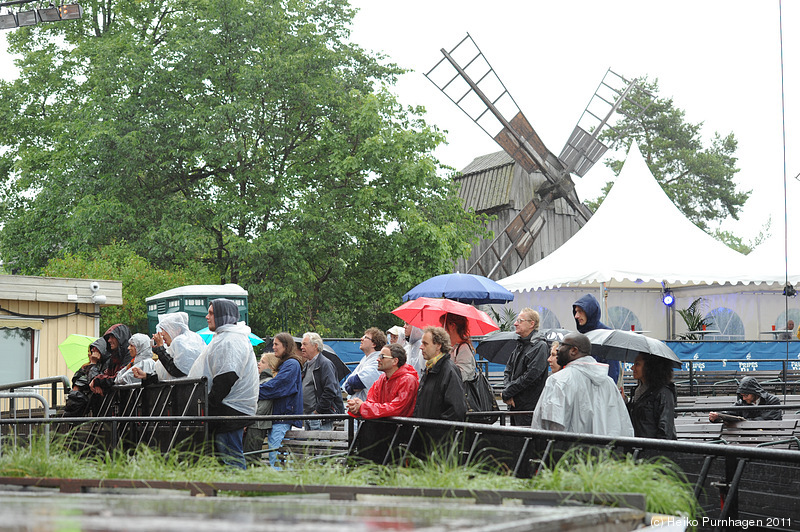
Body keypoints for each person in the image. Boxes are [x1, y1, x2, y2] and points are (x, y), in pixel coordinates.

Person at [187, 299, 258, 470]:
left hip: (230, 409)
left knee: (230, 457)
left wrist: (210, 403)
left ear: (222, 315)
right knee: (223, 457)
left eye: (211, 313)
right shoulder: (226, 337)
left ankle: (239, 492)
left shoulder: (231, 339)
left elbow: (227, 377)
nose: (207, 316)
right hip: (228, 407)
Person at [531, 332, 634, 437]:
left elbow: (547, 425)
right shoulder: (609, 383)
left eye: (562, 345)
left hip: (567, 451)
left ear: (574, 350)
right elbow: (624, 425)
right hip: (604, 451)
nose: (558, 350)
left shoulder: (558, 381)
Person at [258, 332, 303, 468]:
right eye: (273, 344)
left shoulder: (291, 364)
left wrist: (254, 391)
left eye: (276, 344)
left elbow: (277, 386)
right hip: (280, 418)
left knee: (277, 459)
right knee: (276, 457)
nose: (274, 348)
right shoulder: (287, 364)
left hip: (283, 418)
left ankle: (280, 487)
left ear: (286, 346)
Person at [501, 308, 549, 426]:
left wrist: (508, 392)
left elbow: (531, 376)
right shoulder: (520, 345)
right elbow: (508, 370)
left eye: (520, 320)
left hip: (528, 408)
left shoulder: (539, 346)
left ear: (531, 324)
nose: (515, 323)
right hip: (514, 405)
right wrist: (508, 391)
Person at [347, 343, 419, 419]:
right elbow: (371, 401)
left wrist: (362, 407)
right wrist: (356, 406)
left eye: (382, 357)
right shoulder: (382, 379)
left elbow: (397, 409)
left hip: (401, 429)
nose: (378, 359)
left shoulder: (408, 380)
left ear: (395, 361)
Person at [414, 326, 466, 422]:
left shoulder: (449, 370)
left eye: (425, 344)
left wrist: (436, 433)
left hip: (436, 434)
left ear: (438, 346)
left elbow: (455, 410)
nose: (421, 347)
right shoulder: (430, 368)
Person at [626, 352, 676, 439]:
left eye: (637, 364)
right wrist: (625, 402)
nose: (632, 367)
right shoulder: (638, 391)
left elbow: (665, 429)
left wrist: (654, 450)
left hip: (654, 449)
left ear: (650, 367)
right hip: (638, 447)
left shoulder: (664, 393)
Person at [573, 294, 621, 384]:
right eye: (576, 312)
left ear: (589, 311)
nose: (576, 316)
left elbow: (613, 372)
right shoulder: (581, 336)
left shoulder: (607, 335)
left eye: (580, 311)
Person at [300, 332, 344, 431]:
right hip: (308, 415)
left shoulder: (325, 364)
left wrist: (317, 411)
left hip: (319, 417)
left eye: (305, 344)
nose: (301, 347)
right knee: (310, 446)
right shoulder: (307, 365)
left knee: (320, 444)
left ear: (315, 346)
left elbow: (330, 390)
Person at [243, 351, 277, 466]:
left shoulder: (268, 382)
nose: (259, 364)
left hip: (257, 424)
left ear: (271, 366)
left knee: (251, 456)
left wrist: (247, 419)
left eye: (263, 362)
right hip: (254, 422)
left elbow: (262, 407)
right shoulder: (260, 380)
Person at [62, 338, 106, 417]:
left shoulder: (102, 366)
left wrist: (93, 363)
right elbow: (76, 378)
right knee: (74, 394)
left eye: (92, 351)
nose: (90, 354)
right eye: (89, 351)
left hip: (92, 398)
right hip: (81, 396)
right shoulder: (85, 366)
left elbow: (93, 379)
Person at [709, 376, 782, 422]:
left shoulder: (773, 401)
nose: (744, 398)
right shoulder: (742, 402)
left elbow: (766, 419)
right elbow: (728, 411)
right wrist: (717, 416)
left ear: (754, 393)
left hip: (769, 436)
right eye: (742, 395)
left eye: (746, 395)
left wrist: (743, 420)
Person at [342, 328, 385, 402]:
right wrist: (352, 387)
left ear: (374, 344)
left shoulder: (377, 361)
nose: (361, 339)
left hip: (368, 408)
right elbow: (347, 385)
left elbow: (356, 381)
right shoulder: (365, 359)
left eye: (365, 337)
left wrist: (352, 385)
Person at [89, 323, 132, 397]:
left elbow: (119, 378)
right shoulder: (113, 357)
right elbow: (106, 376)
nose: (109, 340)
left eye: (112, 337)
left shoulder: (130, 356)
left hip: (129, 401)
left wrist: (97, 380)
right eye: (108, 338)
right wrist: (97, 383)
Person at [439, 312, 477, 382]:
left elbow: (461, 376)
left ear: (452, 326)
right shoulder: (450, 347)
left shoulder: (463, 349)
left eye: (443, 324)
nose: (441, 328)